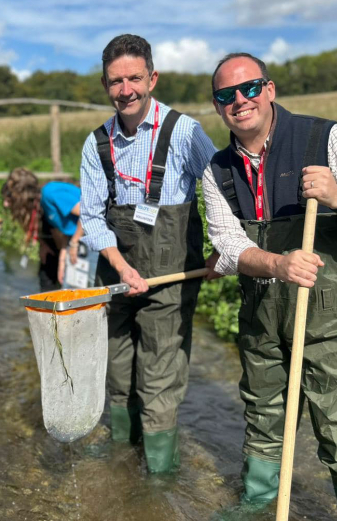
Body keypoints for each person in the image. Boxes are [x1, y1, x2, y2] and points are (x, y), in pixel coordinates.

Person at [201, 53, 337, 520]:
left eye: (249, 88)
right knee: (263, 415)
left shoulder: (325, 138)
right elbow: (229, 248)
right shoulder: (217, 169)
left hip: (333, 315)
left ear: (269, 90)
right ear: (217, 107)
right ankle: (256, 503)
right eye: (226, 95)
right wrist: (278, 263)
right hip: (263, 316)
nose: (239, 101)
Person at [79, 33, 219, 473]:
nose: (126, 90)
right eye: (116, 81)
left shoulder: (185, 132)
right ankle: (123, 460)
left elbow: (220, 192)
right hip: (117, 276)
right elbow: (94, 220)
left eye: (134, 78)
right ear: (105, 85)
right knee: (118, 371)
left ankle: (159, 478)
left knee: (158, 378)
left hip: (172, 278)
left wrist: (224, 251)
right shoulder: (95, 144)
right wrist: (122, 268)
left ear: (152, 78)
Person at [1, 168, 91, 291]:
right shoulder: (43, 205)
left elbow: (88, 213)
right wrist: (63, 258)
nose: (6, 204)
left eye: (10, 197)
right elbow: (67, 229)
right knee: (69, 289)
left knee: (84, 291)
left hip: (93, 238)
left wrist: (74, 243)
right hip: (77, 239)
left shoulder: (50, 193)